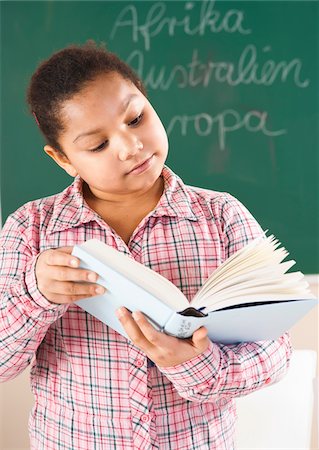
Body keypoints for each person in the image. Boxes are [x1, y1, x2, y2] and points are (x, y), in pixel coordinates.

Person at [0, 41, 292, 450]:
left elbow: (275, 351)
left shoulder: (222, 216)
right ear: (63, 158)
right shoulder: (31, 229)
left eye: (136, 118)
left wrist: (198, 366)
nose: (130, 146)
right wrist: (36, 294)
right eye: (98, 145)